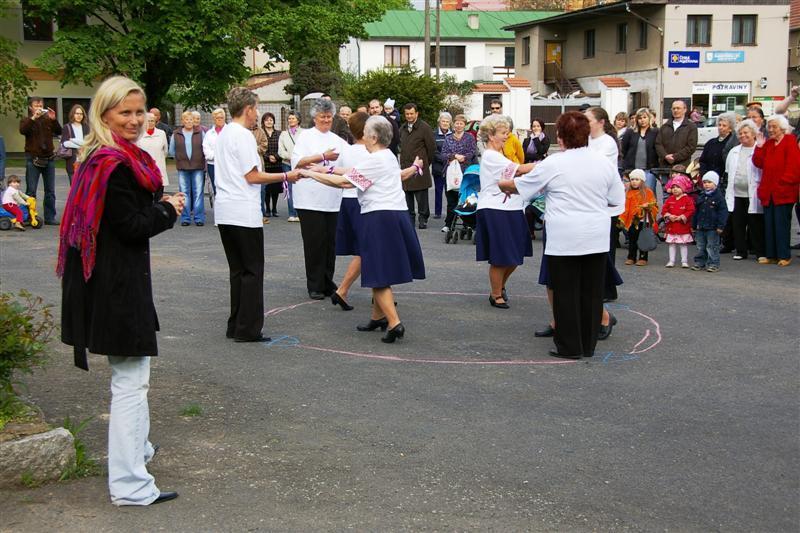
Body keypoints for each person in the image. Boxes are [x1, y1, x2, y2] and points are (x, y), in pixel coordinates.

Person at [57, 75, 185, 506]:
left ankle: (139, 452)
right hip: (114, 286)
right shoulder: (111, 164)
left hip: (110, 282)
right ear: (104, 113)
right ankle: (130, 484)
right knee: (130, 383)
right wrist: (167, 209)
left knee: (131, 377)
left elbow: (117, 221)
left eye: (138, 111)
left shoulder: (108, 157)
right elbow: (130, 227)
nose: (133, 120)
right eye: (124, 112)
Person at [498, 111, 625, 360]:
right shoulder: (602, 163)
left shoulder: (555, 163)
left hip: (565, 237)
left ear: (562, 137)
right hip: (596, 235)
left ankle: (569, 346)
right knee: (591, 292)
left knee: (565, 292)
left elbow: (523, 186)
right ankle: (588, 345)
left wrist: (503, 184)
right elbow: (617, 200)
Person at [299, 115, 425, 343]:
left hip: (379, 217)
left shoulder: (375, 160)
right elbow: (350, 173)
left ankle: (394, 323)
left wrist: (309, 174)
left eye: (366, 133)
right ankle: (378, 317)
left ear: (374, 137)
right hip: (392, 215)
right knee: (380, 267)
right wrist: (325, 169)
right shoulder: (386, 157)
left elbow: (345, 182)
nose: (363, 137)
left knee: (377, 274)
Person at [214, 87, 301, 342]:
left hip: (226, 209)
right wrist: (286, 175)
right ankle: (248, 328)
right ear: (248, 109)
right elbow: (252, 176)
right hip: (242, 210)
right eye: (256, 108)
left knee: (238, 270)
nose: (258, 113)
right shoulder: (242, 136)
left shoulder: (225, 133)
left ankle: (236, 324)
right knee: (252, 270)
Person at [474, 115, 535, 309]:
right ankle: (495, 293)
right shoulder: (491, 156)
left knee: (516, 255)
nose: (506, 137)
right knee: (501, 257)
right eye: (502, 133)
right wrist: (545, 165)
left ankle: (500, 287)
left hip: (513, 207)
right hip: (495, 209)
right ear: (491, 136)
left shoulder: (499, 155)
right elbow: (520, 170)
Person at [291, 98, 349, 299]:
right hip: (308, 198)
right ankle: (314, 284)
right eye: (322, 117)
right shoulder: (305, 137)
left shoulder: (337, 140)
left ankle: (327, 281)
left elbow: (349, 162)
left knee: (330, 243)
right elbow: (297, 162)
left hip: (332, 198)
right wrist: (322, 156)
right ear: (315, 118)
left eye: (329, 117)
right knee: (314, 242)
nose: (326, 121)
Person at [330, 111, 370, 311]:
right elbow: (364, 179)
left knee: (366, 249)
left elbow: (341, 172)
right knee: (368, 249)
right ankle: (344, 289)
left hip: (347, 201)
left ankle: (377, 292)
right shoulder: (371, 152)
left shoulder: (346, 150)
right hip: (364, 202)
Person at [752, 114, 800, 266]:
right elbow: (758, 163)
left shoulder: (789, 141)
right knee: (769, 224)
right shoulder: (768, 144)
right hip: (769, 191)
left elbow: (794, 166)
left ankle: (784, 255)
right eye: (769, 127)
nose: (770, 130)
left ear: (782, 128)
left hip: (783, 190)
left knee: (781, 224)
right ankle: (771, 254)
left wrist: (783, 182)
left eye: (774, 127)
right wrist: (759, 147)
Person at [725, 119, 764, 261]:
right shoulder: (734, 151)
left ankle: (759, 251)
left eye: (746, 132)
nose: (743, 135)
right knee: (738, 223)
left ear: (754, 134)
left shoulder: (759, 149)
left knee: (755, 223)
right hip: (736, 193)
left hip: (753, 193)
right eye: (740, 133)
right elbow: (728, 171)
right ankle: (741, 251)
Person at [19, 96, 62, 224]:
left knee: (50, 190)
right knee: (31, 190)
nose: (39, 108)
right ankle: (28, 216)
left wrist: (54, 119)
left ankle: (50, 217)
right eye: (36, 106)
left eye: (40, 105)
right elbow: (23, 130)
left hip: (49, 159)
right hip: (33, 159)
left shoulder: (48, 120)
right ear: (30, 108)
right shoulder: (26, 120)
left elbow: (59, 131)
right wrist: (33, 118)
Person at [399, 103, 436, 229]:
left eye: (411, 113)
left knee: (421, 196)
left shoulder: (425, 128)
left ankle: (423, 218)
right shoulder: (402, 128)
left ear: (417, 113)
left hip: (420, 167)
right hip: (405, 166)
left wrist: (425, 163)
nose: (409, 116)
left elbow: (431, 148)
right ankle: (410, 218)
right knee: (407, 195)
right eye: (407, 114)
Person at [440, 114, 477, 233]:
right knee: (451, 200)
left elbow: (472, 152)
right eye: (457, 123)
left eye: (461, 123)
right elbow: (443, 154)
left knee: (464, 199)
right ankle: (448, 223)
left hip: (465, 171)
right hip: (451, 172)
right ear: (453, 124)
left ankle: (468, 223)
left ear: (465, 125)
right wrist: (454, 156)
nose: (459, 125)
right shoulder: (448, 138)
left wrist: (464, 157)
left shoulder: (469, 137)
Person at [170, 111, 206, 226]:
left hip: (198, 166)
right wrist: (180, 158)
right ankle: (185, 218)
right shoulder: (176, 134)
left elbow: (205, 148)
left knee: (198, 193)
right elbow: (171, 151)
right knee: (184, 193)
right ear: (182, 121)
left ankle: (199, 218)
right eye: (186, 120)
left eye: (191, 120)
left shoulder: (200, 133)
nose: (189, 122)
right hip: (183, 167)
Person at [691, 171, 728, 272]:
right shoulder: (701, 196)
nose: (706, 184)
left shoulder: (719, 198)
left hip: (713, 227)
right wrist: (693, 225)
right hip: (701, 226)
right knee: (700, 246)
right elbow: (696, 212)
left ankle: (713, 263)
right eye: (705, 182)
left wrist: (721, 226)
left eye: (709, 182)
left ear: (715, 183)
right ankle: (700, 262)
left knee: (712, 246)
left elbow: (723, 213)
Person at [619, 169, 658, 266]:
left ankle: (643, 257)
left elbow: (654, 205)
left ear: (642, 181)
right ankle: (631, 257)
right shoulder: (628, 193)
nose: (634, 182)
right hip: (632, 220)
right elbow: (625, 207)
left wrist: (648, 206)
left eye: (637, 179)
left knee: (643, 238)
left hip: (644, 221)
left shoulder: (648, 192)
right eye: (632, 179)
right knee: (632, 239)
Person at [661, 173, 696, 268]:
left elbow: (691, 210)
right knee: (671, 244)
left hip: (682, 225)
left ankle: (684, 261)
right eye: (673, 187)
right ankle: (671, 260)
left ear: (684, 188)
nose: (675, 189)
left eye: (678, 187)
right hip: (672, 225)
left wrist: (682, 216)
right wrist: (668, 215)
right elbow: (664, 210)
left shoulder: (687, 199)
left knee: (683, 244)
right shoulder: (669, 199)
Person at [621, 108, 659, 193]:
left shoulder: (655, 132)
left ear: (649, 118)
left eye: (645, 117)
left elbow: (658, 149)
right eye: (640, 118)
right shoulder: (630, 132)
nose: (642, 120)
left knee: (648, 193)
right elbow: (623, 149)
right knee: (632, 194)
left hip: (649, 170)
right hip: (632, 169)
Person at [655, 100, 698, 168]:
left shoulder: (691, 127)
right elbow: (658, 144)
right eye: (674, 108)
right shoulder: (665, 126)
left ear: (685, 109)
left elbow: (691, 147)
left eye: (678, 108)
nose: (675, 110)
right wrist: (665, 156)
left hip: (682, 167)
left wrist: (675, 157)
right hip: (665, 166)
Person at [278, 110, 303, 222]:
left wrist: (298, 158)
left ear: (298, 120)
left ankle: (300, 212)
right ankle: (291, 213)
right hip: (287, 163)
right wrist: (290, 156)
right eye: (289, 118)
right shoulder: (283, 134)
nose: (291, 120)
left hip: (300, 164)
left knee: (301, 188)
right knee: (289, 188)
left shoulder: (304, 133)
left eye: (293, 118)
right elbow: (280, 150)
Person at [137, 113, 170, 186]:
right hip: (144, 168)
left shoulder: (161, 134)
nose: (150, 123)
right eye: (148, 121)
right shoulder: (138, 134)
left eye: (152, 121)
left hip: (159, 167)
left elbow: (165, 151)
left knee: (159, 194)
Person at [260, 112, 282, 218]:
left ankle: (274, 208)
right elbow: (260, 148)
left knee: (276, 188)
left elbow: (282, 148)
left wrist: (276, 157)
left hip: (277, 164)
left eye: (271, 120)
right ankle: (267, 208)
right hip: (265, 165)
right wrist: (268, 157)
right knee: (267, 188)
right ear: (263, 122)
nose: (269, 122)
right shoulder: (261, 133)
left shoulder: (279, 133)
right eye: (267, 120)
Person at [60, 104, 89, 184]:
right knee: (74, 187)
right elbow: (65, 143)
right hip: (72, 161)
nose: (79, 116)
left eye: (81, 114)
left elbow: (88, 143)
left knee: (85, 188)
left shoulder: (86, 127)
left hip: (85, 160)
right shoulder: (67, 127)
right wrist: (80, 144)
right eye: (77, 113)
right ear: (73, 114)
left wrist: (73, 140)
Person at [488, 99, 524, 163]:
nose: (495, 110)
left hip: (509, 158)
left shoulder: (507, 120)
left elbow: (514, 137)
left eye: (497, 108)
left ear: (501, 109)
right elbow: (480, 139)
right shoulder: (487, 122)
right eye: (493, 108)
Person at [431, 112, 453, 220]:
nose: (445, 123)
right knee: (438, 190)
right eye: (443, 121)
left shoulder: (453, 134)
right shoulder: (434, 134)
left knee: (451, 191)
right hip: (438, 168)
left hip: (451, 168)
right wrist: (445, 159)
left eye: (447, 121)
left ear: (450, 123)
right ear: (439, 122)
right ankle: (438, 212)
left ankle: (452, 212)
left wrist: (451, 159)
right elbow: (434, 151)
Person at [202, 108, 226, 194]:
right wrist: (219, 154)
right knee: (216, 190)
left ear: (225, 118)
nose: (219, 119)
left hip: (227, 165)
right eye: (217, 118)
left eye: (221, 117)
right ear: (214, 119)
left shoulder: (230, 132)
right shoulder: (209, 134)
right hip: (213, 166)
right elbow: (207, 152)